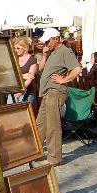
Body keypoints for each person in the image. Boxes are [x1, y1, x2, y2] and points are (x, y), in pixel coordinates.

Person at [36, 28, 82, 166]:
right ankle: (35, 152)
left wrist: (64, 79)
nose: (46, 43)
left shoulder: (65, 51)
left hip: (55, 91)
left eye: (48, 41)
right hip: (47, 92)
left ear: (56, 39)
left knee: (52, 126)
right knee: (40, 124)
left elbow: (77, 69)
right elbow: (41, 69)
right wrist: (44, 55)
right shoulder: (52, 52)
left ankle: (55, 158)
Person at [12, 37, 38, 105]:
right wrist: (23, 76)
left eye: (18, 48)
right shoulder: (14, 59)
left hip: (28, 91)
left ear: (25, 48)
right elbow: (10, 74)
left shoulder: (32, 60)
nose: (15, 50)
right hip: (13, 90)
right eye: (14, 48)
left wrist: (21, 90)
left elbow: (30, 78)